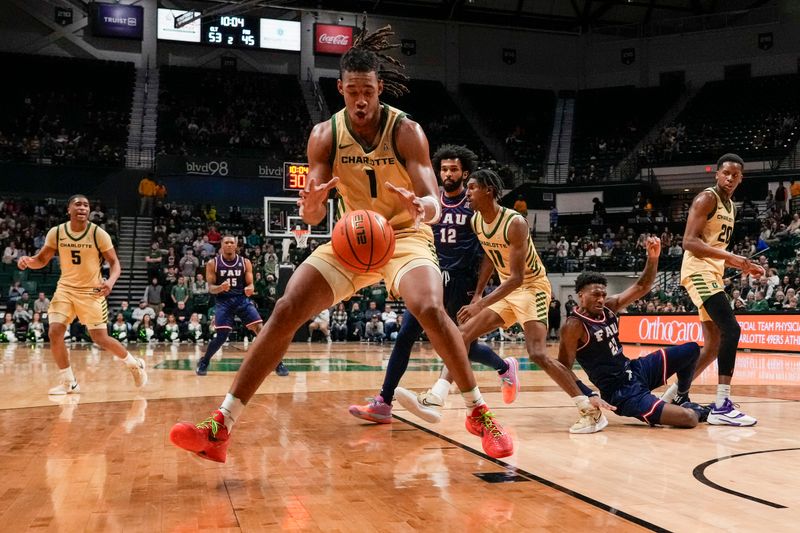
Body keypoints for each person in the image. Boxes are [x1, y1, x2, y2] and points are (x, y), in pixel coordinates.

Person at [170, 24, 513, 462]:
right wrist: (311, 205)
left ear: (379, 87)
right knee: (287, 308)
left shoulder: (406, 130)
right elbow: (312, 213)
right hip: (353, 238)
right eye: (352, 92)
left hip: (405, 234)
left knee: (429, 307)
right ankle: (221, 425)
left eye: (367, 91)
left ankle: (476, 412)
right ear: (341, 90)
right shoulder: (324, 135)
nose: (361, 100)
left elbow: (433, 200)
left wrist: (422, 207)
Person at [395, 170, 604, 433]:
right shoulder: (477, 222)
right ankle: (437, 396)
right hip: (506, 290)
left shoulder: (514, 222)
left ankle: (589, 409)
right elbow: (490, 257)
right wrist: (480, 293)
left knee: (537, 353)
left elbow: (517, 279)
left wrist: (479, 305)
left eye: (471, 188)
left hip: (531, 287)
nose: (467, 193)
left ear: (488, 190)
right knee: (461, 335)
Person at [349, 144, 516, 423]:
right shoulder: (430, 201)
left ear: (465, 173)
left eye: (454, 169)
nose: (448, 174)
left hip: (462, 282)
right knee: (405, 336)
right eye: (444, 169)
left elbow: (488, 252)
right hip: (430, 276)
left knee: (458, 345)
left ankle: (502, 367)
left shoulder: (474, 204)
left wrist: (478, 295)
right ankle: (383, 401)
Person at [558, 244, 711, 430]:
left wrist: (653, 258)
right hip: (621, 393)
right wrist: (589, 394)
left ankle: (681, 396)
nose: (600, 299)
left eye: (603, 294)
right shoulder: (574, 325)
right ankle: (695, 410)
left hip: (636, 370)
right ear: (581, 295)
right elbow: (562, 368)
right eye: (595, 295)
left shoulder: (609, 307)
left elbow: (642, 286)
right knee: (689, 419)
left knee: (692, 349)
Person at [661, 154, 764, 426]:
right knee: (732, 329)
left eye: (735, 175)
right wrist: (733, 259)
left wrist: (743, 265)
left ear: (741, 178)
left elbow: (715, 248)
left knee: (713, 344)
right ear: (717, 174)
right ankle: (722, 404)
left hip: (712, 273)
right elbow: (689, 242)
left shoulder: (731, 206)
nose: (730, 178)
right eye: (726, 173)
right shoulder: (706, 199)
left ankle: (670, 396)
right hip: (697, 271)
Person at [17, 194, 147, 394]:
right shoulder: (57, 232)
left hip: (91, 292)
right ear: (68, 209)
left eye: (86, 205)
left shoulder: (98, 234)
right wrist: (28, 261)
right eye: (77, 204)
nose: (82, 208)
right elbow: (41, 259)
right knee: (54, 332)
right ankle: (69, 382)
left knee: (100, 338)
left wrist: (110, 282)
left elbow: (114, 263)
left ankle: (134, 364)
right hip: (66, 289)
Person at [194, 235, 288, 377]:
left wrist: (250, 288)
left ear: (236, 245)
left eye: (232, 242)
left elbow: (250, 284)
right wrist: (220, 288)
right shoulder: (213, 263)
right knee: (221, 336)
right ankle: (204, 361)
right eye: (227, 242)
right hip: (223, 301)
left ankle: (277, 363)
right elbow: (211, 288)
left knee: (261, 331)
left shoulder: (245, 262)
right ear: (222, 245)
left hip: (241, 300)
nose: (230, 245)